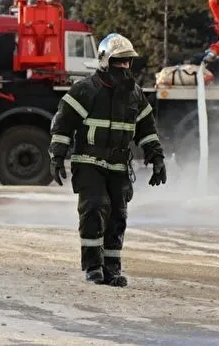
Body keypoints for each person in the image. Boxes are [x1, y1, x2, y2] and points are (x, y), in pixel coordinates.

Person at [49, 33, 167, 287]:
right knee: (94, 206)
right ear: (105, 61)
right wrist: (57, 156)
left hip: (119, 166)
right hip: (88, 161)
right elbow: (63, 124)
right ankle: (93, 266)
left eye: (127, 62)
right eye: (119, 61)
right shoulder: (85, 90)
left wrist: (156, 158)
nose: (123, 67)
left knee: (118, 215)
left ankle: (112, 268)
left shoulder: (134, 94)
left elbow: (147, 130)